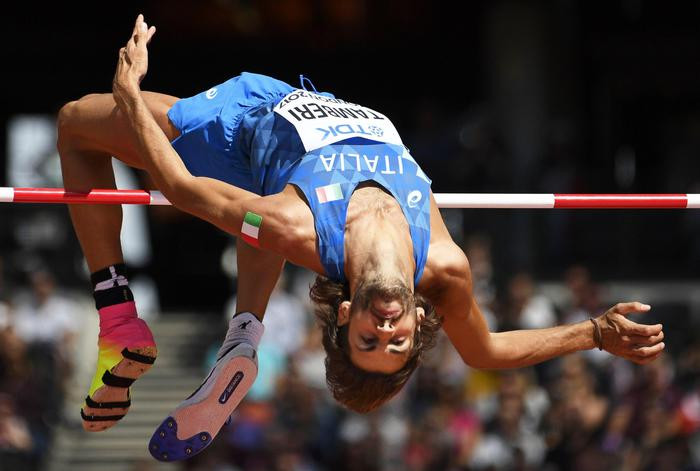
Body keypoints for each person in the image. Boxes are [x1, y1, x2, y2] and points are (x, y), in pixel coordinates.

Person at [57, 15, 666, 461]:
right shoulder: (445, 266)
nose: (386, 328)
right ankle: (243, 334)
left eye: (368, 340)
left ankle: (118, 318)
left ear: (345, 315)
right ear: (417, 326)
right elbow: (485, 353)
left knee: (75, 126)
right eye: (396, 343)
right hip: (306, 114)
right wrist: (591, 332)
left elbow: (182, 188)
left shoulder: (301, 229)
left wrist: (131, 93)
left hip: (243, 125)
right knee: (265, 213)